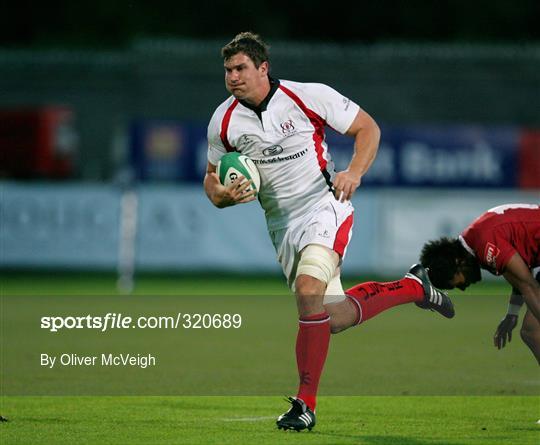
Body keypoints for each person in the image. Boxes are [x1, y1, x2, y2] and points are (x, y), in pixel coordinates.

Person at [204, 32, 454, 432]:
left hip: (325, 207)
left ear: (263, 68)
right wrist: (227, 195)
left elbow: (367, 128)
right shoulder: (224, 121)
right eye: (228, 70)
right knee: (331, 317)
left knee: (308, 291)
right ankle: (414, 287)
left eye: (241, 68)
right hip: (282, 225)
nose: (233, 77)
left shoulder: (307, 96)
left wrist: (354, 172)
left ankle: (305, 404)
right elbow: (212, 184)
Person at [420, 204, 540, 364]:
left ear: (458, 263)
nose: (464, 286)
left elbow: (528, 285)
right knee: (532, 331)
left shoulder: (485, 244)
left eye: (457, 282)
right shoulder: (475, 242)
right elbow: (520, 278)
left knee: (533, 331)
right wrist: (512, 313)